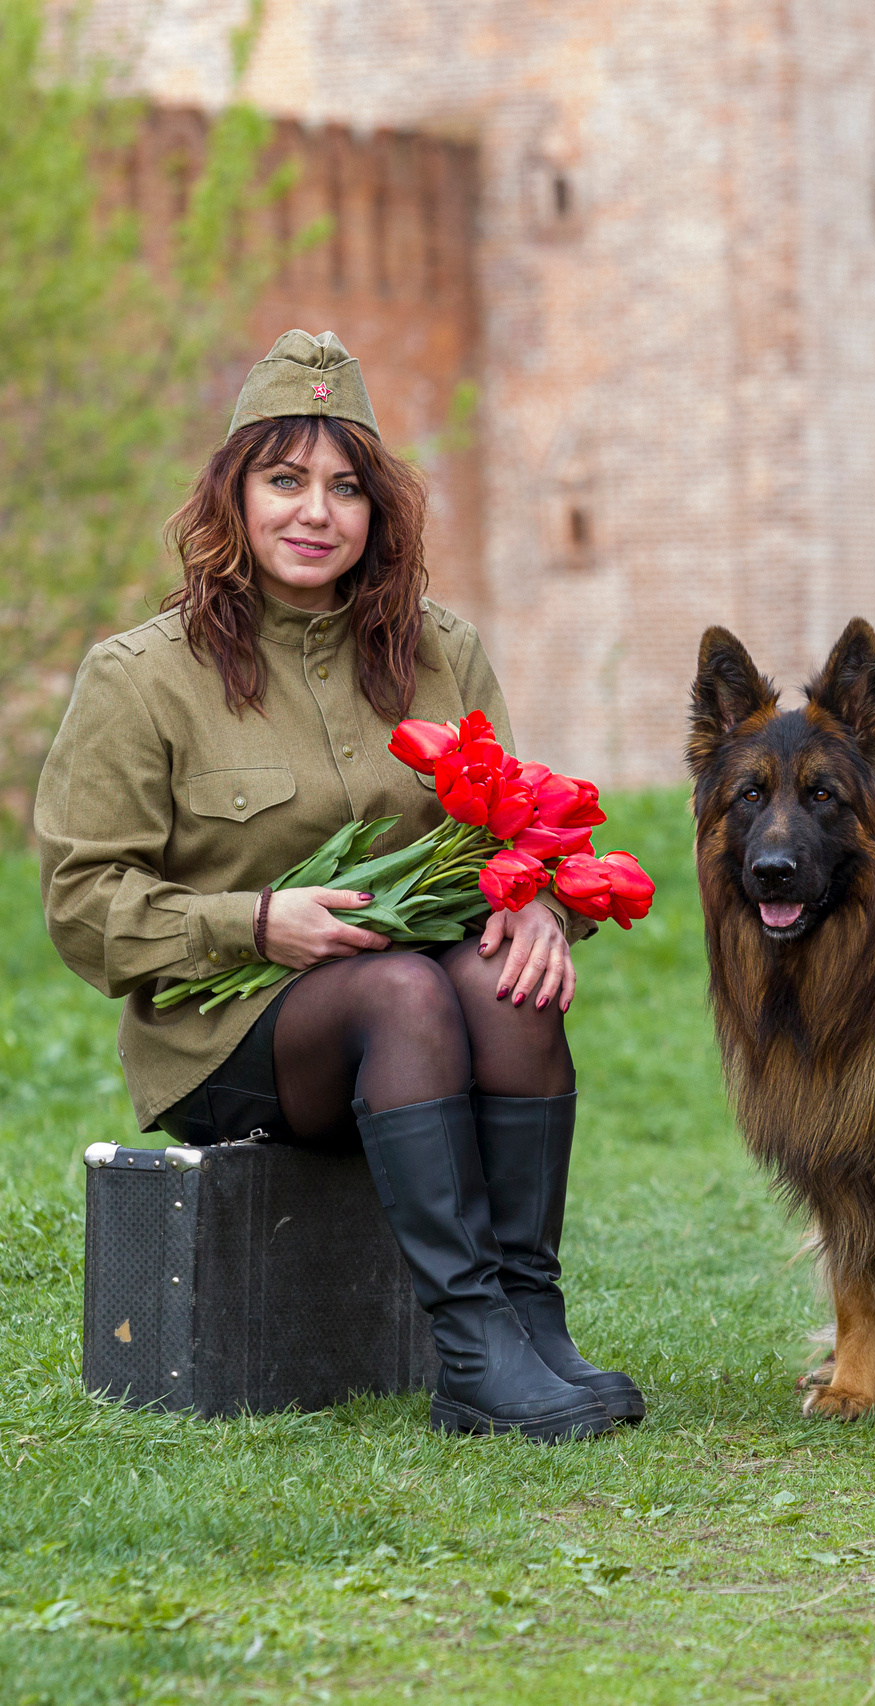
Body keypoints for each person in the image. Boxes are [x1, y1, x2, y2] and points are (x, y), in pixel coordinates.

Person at [37, 330, 643, 1443]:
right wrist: (261, 921)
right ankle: (469, 1351)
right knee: (402, 990)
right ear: (235, 497)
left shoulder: (438, 650)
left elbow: (520, 818)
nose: (315, 511)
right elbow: (84, 907)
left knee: (503, 979)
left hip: (412, 1011)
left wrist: (534, 896)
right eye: (284, 480)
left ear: (379, 512)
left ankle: (529, 1322)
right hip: (229, 1032)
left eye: (345, 486)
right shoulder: (142, 676)